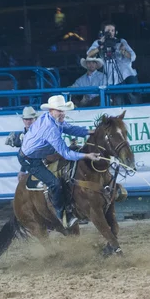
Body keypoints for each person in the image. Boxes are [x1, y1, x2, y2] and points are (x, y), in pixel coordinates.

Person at [18, 95, 101, 228]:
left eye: (63, 110)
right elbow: (66, 153)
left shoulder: (52, 119)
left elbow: (70, 129)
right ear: (51, 111)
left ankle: (69, 206)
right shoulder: (50, 128)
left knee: (62, 175)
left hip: (40, 152)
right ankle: (60, 213)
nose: (62, 113)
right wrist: (87, 155)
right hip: (30, 159)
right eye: (59, 110)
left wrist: (92, 132)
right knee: (55, 183)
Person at [86, 22, 140, 105]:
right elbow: (89, 54)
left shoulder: (121, 41)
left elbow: (133, 56)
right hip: (112, 78)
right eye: (108, 30)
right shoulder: (98, 42)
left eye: (112, 30)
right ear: (103, 32)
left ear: (115, 32)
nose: (110, 32)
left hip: (127, 74)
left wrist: (123, 51)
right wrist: (101, 46)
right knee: (118, 102)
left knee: (133, 98)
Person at [6, 106, 39, 182]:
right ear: (23, 120)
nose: (28, 121)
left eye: (30, 119)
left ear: (35, 119)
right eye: (26, 119)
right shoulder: (23, 135)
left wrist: (23, 170)